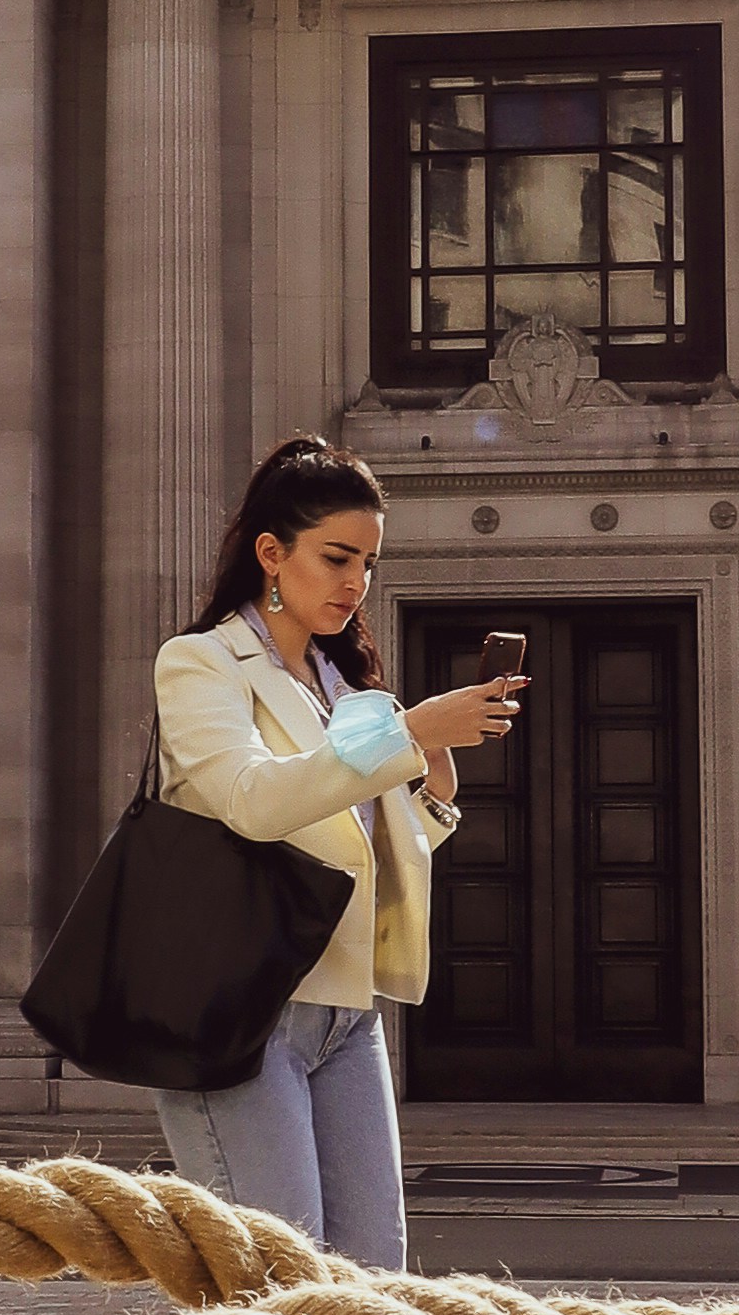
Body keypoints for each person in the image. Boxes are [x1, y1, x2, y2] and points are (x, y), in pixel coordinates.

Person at [144, 440, 521, 1265]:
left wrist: (433, 786)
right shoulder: (200, 662)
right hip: (244, 1005)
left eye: (370, 563)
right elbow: (253, 801)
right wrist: (411, 729)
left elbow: (359, 840)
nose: (356, 583)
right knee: (281, 1289)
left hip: (347, 1015)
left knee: (373, 1285)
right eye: (338, 557)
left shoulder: (346, 688)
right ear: (271, 555)